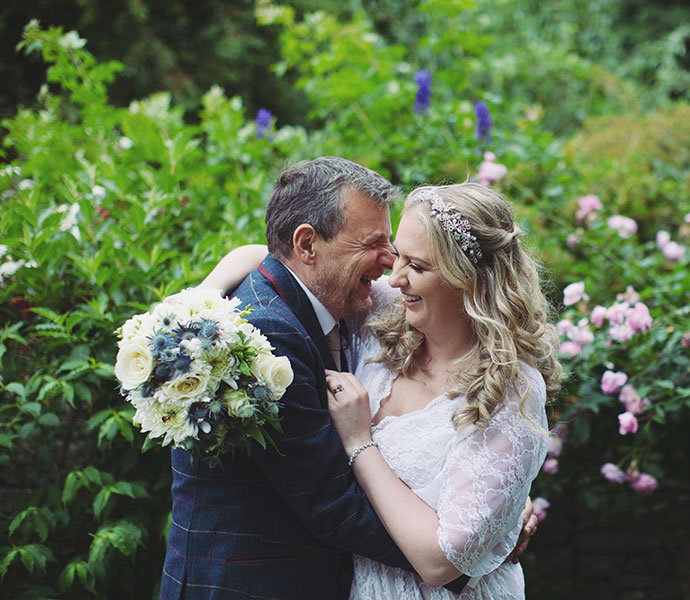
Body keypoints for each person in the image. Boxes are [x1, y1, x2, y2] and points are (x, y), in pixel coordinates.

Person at [161, 158, 535, 599]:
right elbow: (333, 501)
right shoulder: (271, 332)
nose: (392, 267)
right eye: (377, 244)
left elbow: (263, 252)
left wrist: (492, 504)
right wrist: (474, 546)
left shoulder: (361, 304)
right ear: (307, 245)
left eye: (408, 258)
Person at [322, 183, 563, 598]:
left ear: (470, 280)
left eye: (417, 266)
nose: (394, 277)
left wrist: (359, 443)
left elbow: (440, 563)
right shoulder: (389, 313)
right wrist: (204, 305)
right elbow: (285, 264)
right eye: (397, 255)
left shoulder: (510, 390)